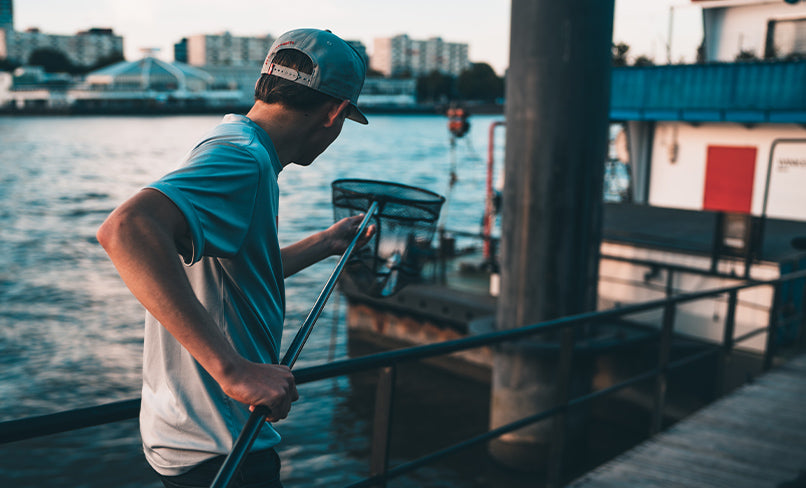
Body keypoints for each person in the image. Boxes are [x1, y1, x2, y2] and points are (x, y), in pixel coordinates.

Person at [96, 28, 370, 488]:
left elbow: (237, 274)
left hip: (196, 441)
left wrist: (326, 242)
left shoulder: (234, 142)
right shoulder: (243, 160)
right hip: (220, 451)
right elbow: (125, 230)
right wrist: (234, 370)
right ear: (335, 113)